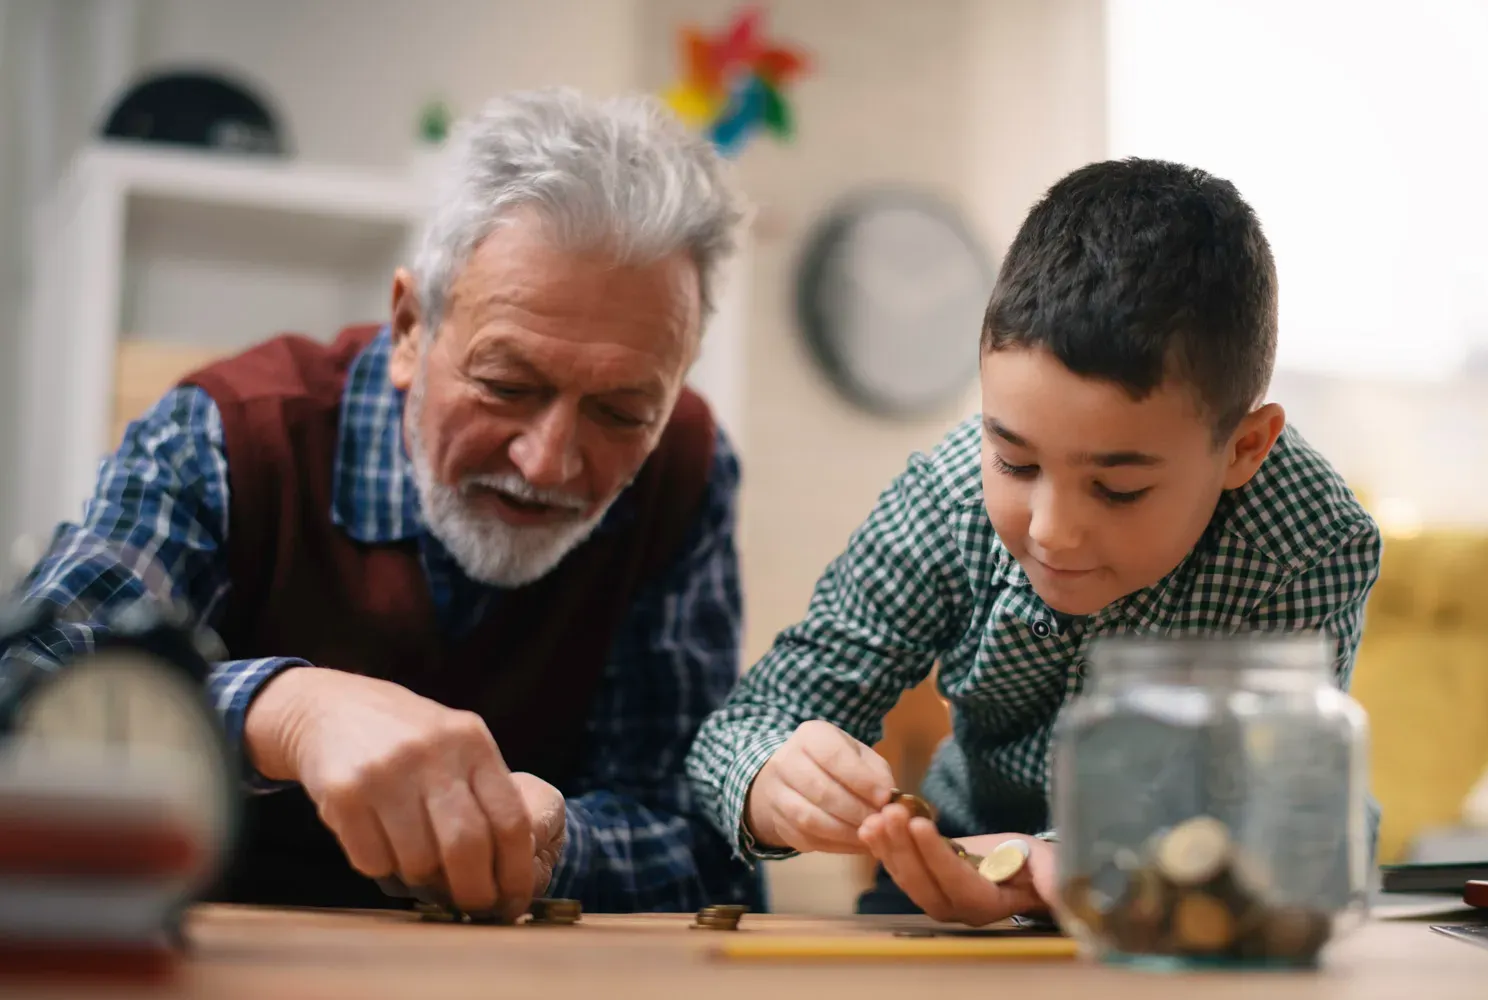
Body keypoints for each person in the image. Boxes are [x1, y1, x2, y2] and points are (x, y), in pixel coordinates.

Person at [1, 88, 760, 921]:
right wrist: (287, 710)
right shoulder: (229, 435)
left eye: (622, 412)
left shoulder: (685, 468)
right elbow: (27, 680)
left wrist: (551, 842)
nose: (547, 460)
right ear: (408, 329)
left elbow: (706, 843)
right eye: (508, 385)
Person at [685, 158, 1383, 925]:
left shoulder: (1307, 540)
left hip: (1193, 890)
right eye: (1014, 461)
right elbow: (745, 725)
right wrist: (768, 779)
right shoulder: (947, 497)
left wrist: (1073, 857)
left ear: (1244, 449)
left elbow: (1272, 802)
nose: (1051, 529)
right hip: (958, 856)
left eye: (1118, 487)